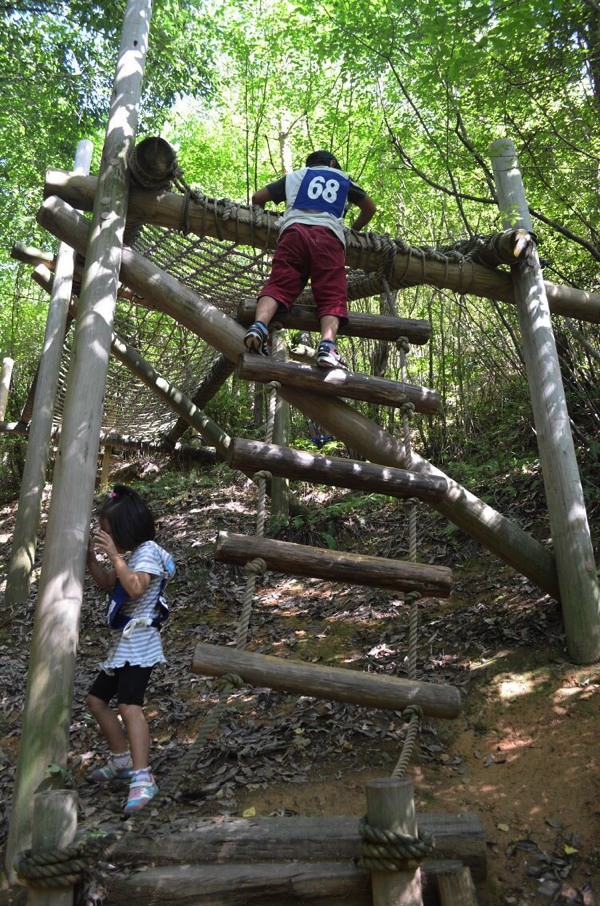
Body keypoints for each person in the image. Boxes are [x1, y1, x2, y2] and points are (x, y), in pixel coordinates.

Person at [85, 484, 175, 814]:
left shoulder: (148, 550)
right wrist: (91, 558)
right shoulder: (135, 555)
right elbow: (108, 583)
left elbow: (135, 588)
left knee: (129, 706)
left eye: (108, 532)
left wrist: (112, 556)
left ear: (125, 530)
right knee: (96, 700)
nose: (106, 536)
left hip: (141, 642)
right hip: (125, 644)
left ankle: (143, 776)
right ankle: (121, 759)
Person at [245, 150, 376, 369]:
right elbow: (369, 208)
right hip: (328, 237)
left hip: (293, 234)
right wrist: (353, 229)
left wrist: (262, 220)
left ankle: (259, 325)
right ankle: (327, 347)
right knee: (331, 295)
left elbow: (257, 198)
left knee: (278, 285)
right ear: (332, 163)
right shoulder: (342, 178)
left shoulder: (295, 176)